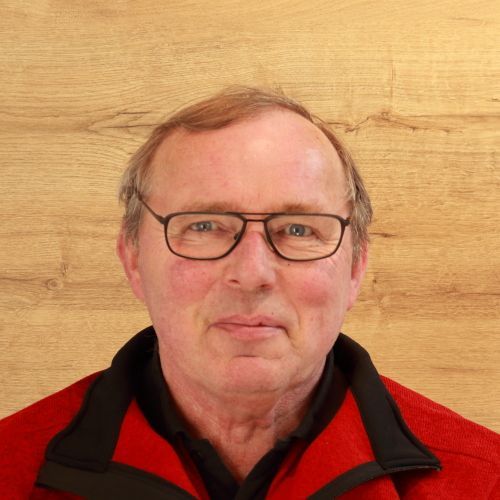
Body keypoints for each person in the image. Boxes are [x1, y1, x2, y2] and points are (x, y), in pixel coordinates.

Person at [1, 87, 498, 499]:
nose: (253, 272)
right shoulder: (10, 469)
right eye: (204, 225)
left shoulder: (485, 481)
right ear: (133, 258)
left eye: (299, 230)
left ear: (355, 268)